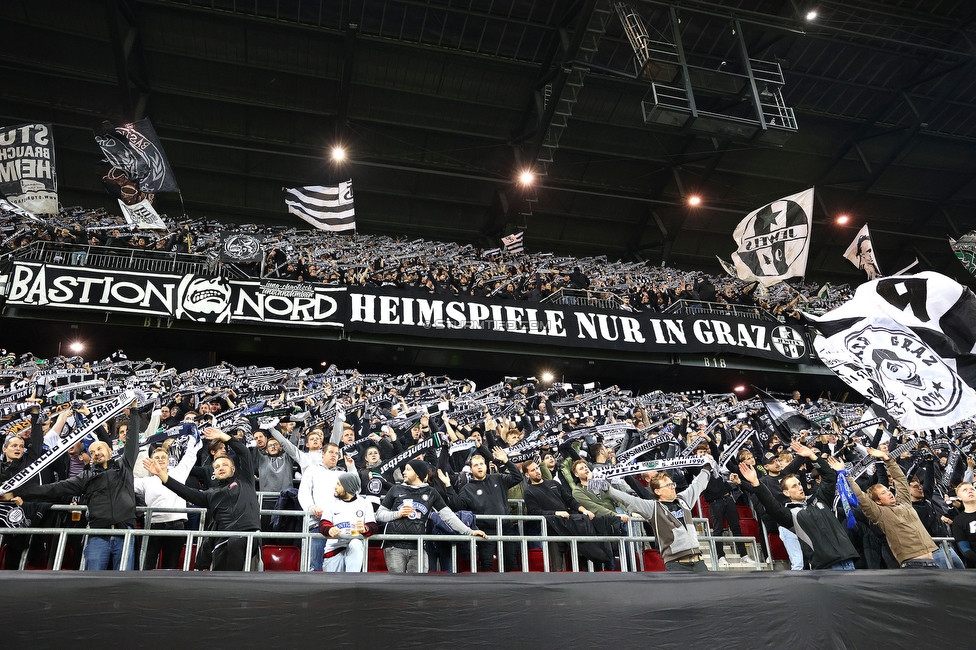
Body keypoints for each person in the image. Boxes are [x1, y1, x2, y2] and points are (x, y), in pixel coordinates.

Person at [2, 401, 144, 571]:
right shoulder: (86, 476)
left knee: (123, 584)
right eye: (92, 452)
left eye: (99, 449)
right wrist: (19, 493)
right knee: (92, 581)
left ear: (110, 451)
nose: (96, 453)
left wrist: (134, 411)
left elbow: (133, 439)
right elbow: (53, 489)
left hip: (124, 534)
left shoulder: (124, 466)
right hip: (98, 535)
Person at [142, 427, 260, 571]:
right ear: (214, 472)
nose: (220, 468)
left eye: (224, 465)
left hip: (246, 536)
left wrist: (222, 436)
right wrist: (162, 475)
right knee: (218, 566)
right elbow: (185, 492)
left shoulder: (245, 480)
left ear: (233, 469)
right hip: (223, 540)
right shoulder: (210, 494)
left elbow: (244, 452)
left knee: (235, 543)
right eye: (217, 467)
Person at [735, 444, 860, 570]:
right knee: (798, 563)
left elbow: (829, 478)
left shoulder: (819, 500)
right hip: (825, 567)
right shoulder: (791, 515)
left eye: (799, 484)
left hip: (848, 559)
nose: (800, 487)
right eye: (794, 486)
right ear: (786, 493)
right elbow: (772, 506)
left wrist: (812, 456)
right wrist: (756, 484)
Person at [601, 460, 714, 572]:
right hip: (676, 564)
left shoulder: (683, 499)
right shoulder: (653, 507)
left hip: (698, 561)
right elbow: (627, 499)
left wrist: (707, 468)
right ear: (658, 491)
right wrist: (605, 486)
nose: (673, 487)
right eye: (668, 485)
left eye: (672, 484)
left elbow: (697, 485)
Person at [376, 459, 487, 573]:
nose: (404, 472)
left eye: (408, 469)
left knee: (418, 586)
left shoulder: (431, 492)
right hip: (394, 546)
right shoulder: (396, 489)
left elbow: (448, 516)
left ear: (418, 474)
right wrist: (397, 514)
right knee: (396, 586)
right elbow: (379, 515)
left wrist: (469, 531)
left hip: (418, 546)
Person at [844, 448, 946, 569]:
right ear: (878, 501)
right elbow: (860, 496)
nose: (888, 493)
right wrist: (845, 475)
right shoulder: (880, 513)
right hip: (913, 564)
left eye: (887, 490)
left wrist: (887, 459)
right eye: (883, 493)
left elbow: (901, 480)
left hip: (933, 560)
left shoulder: (905, 503)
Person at [449, 447, 523, 572]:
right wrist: (448, 487)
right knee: (487, 565)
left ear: (486, 466)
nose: (479, 467)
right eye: (476, 465)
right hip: (485, 532)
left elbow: (517, 478)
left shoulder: (498, 478)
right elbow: (457, 505)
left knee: (512, 563)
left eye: (482, 464)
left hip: (505, 528)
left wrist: (506, 461)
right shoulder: (467, 489)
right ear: (471, 469)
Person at [134, 437, 202, 570]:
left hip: (175, 524)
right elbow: (125, 482)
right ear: (151, 461)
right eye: (157, 457)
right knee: (147, 564)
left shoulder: (178, 473)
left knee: (170, 565)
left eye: (163, 457)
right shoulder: (145, 481)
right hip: (152, 525)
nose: (160, 459)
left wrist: (193, 437)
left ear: (168, 460)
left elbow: (190, 456)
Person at [297, 441, 356, 571]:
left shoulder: (342, 473)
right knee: (314, 566)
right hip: (316, 524)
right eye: (331, 452)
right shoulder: (312, 469)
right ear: (322, 454)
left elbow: (355, 491)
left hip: (339, 526)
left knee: (337, 568)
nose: (334, 455)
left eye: (337, 453)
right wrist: (311, 507)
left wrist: (351, 468)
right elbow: (303, 493)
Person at [320, 472, 377, 572]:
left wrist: (365, 529)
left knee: (356, 543)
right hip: (334, 550)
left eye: (338, 484)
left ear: (347, 487)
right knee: (332, 585)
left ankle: (352, 581)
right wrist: (330, 529)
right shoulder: (331, 503)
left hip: (355, 549)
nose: (335, 487)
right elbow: (323, 523)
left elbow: (373, 526)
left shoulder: (364, 503)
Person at [950, 482, 976, 567]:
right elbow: (965, 549)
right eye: (965, 490)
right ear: (958, 497)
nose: (970, 491)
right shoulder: (958, 521)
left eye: (972, 489)